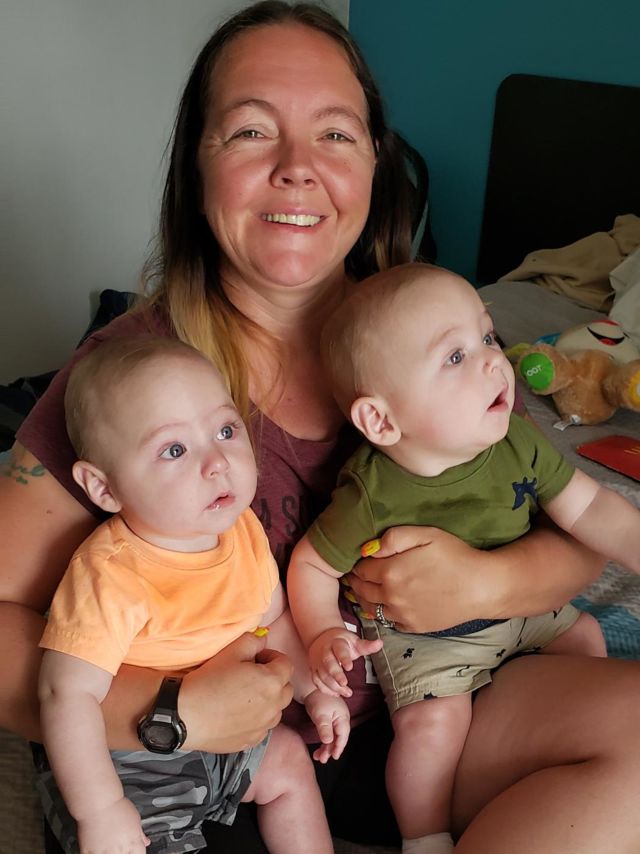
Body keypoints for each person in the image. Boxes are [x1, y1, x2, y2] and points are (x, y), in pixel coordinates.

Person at [1, 2, 640, 852]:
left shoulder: (433, 331)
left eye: (335, 134)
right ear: (197, 165)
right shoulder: (127, 381)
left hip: (443, 705)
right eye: (251, 132)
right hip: (231, 765)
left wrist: (486, 586)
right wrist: (170, 711)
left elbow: (576, 526)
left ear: (375, 161)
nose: (298, 168)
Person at [288, 262, 640, 853]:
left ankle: (561, 742)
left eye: (487, 335)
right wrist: (322, 630)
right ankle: (424, 836)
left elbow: (592, 509)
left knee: (586, 636)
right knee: (432, 728)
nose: (492, 361)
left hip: (523, 613)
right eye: (454, 357)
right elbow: (312, 564)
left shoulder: (517, 441)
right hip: (431, 643)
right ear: (381, 420)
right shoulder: (372, 491)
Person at [38, 336, 354, 854]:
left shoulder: (241, 530)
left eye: (225, 430)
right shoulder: (111, 574)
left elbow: (274, 622)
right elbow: (65, 695)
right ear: (103, 488)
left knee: (289, 761)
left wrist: (313, 691)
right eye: (175, 449)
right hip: (128, 764)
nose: (217, 462)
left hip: (227, 741)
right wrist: (101, 809)